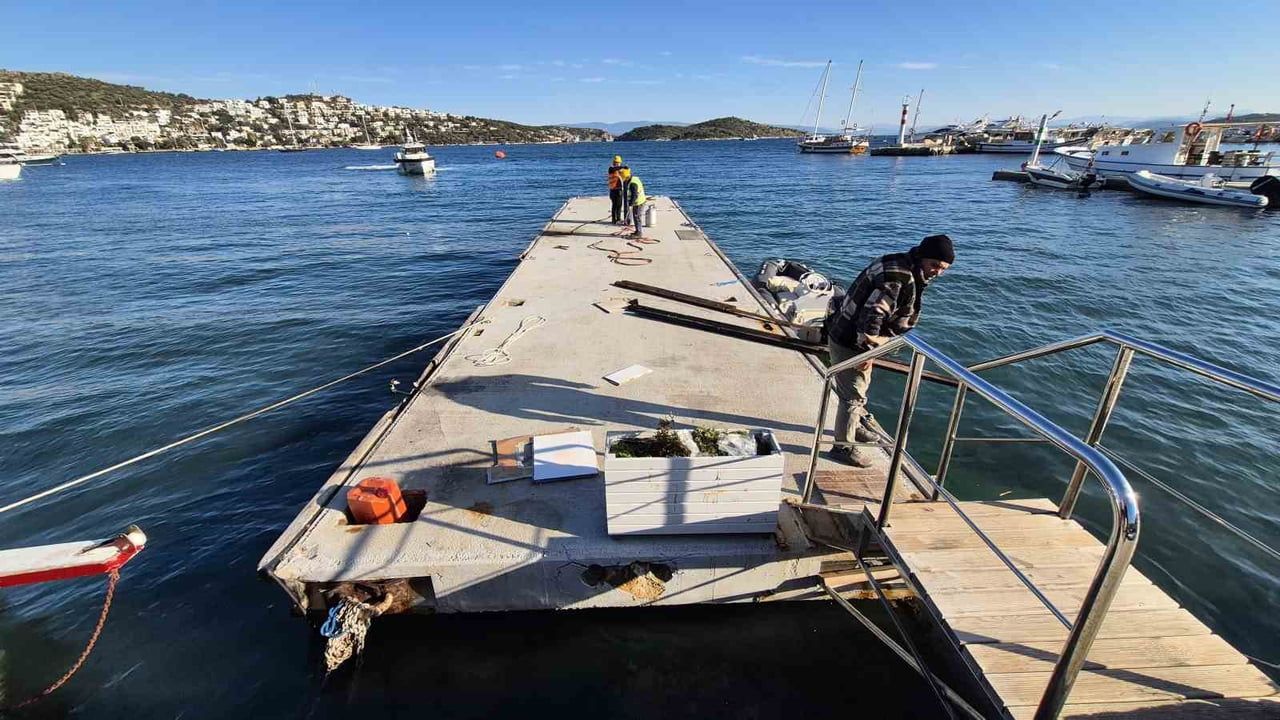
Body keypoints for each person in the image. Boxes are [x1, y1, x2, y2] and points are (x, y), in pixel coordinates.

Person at [824, 234, 954, 467]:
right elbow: (872, 317)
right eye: (935, 265)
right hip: (851, 341)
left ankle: (856, 427)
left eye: (944, 268)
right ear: (924, 257)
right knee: (852, 396)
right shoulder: (899, 277)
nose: (938, 272)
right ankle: (843, 446)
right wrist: (867, 351)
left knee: (860, 385)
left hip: (845, 330)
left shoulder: (900, 262)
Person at [620, 166, 647, 237]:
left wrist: (631, 204)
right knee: (636, 217)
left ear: (626, 177)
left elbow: (634, 195)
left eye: (623, 178)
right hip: (638, 201)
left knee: (637, 217)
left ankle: (639, 233)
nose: (623, 180)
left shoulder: (633, 184)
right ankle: (637, 231)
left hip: (639, 202)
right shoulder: (633, 178)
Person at [607, 155, 625, 224]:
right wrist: (622, 167)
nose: (617, 164)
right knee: (615, 205)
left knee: (619, 205)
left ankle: (618, 218)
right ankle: (614, 219)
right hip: (613, 190)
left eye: (618, 163)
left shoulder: (619, 170)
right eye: (616, 162)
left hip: (619, 189)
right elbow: (615, 169)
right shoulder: (611, 168)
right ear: (614, 162)